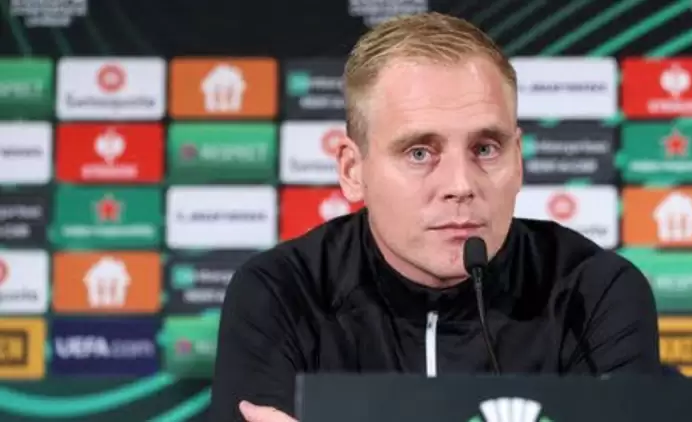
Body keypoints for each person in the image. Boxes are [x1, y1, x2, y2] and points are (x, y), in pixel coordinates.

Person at [209, 11, 661, 422]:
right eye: (419, 153)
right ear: (352, 170)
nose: (461, 185)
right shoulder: (282, 292)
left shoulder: (594, 292)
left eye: (486, 148)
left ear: (519, 159)